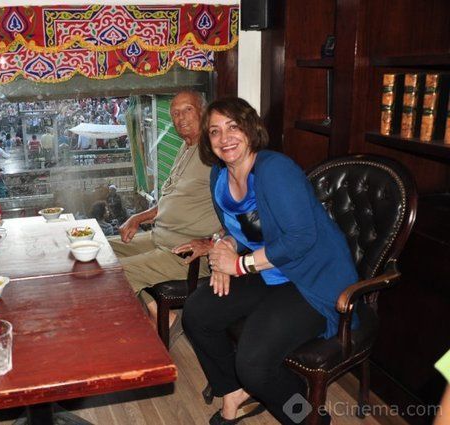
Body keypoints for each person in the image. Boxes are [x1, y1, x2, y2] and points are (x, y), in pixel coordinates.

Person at [181, 97, 358, 425]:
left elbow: (301, 238)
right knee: (197, 312)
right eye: (215, 131)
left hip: (312, 279)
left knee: (253, 363)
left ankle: (307, 418)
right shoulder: (219, 175)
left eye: (233, 127)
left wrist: (238, 266)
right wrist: (224, 248)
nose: (224, 138)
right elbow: (244, 229)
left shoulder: (275, 170)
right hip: (271, 270)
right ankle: (234, 390)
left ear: (250, 129)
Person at [108, 91, 221, 332]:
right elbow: (172, 199)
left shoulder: (216, 152)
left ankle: (138, 334)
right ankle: (160, 313)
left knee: (114, 274)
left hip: (186, 253)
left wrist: (214, 243)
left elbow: (238, 208)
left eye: (188, 110)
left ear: (204, 111)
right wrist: (137, 217)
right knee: (101, 250)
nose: (181, 118)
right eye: (175, 113)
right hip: (159, 237)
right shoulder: (186, 146)